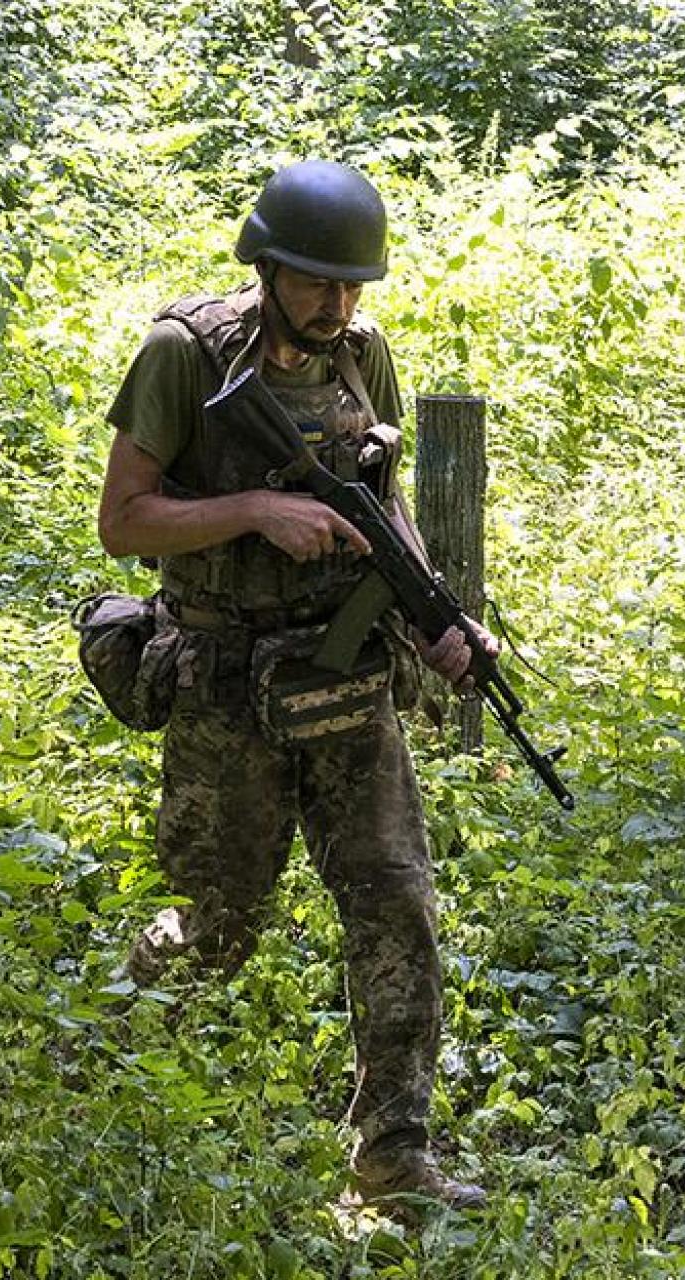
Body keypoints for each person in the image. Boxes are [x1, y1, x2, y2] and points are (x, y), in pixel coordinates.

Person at [96, 160, 494, 1211]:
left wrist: (437, 614)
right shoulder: (182, 354)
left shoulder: (363, 355)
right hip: (224, 679)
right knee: (216, 925)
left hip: (344, 672)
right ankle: (98, 1075)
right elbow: (121, 520)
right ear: (265, 266)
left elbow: (385, 506)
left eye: (352, 285)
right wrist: (250, 512)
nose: (338, 305)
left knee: (396, 903)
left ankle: (392, 1154)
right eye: (317, 283)